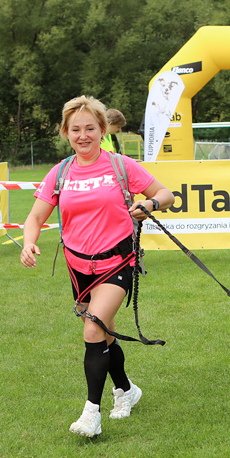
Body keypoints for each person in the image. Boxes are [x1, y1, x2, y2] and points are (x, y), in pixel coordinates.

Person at [21, 96, 174, 438]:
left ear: (102, 130)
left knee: (93, 330)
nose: (83, 135)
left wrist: (149, 203)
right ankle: (127, 390)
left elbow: (167, 194)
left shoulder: (121, 165)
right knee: (105, 333)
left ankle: (91, 414)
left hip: (117, 262)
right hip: (78, 268)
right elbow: (35, 217)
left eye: (90, 128)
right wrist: (29, 242)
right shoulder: (60, 172)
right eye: (75, 129)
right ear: (66, 132)